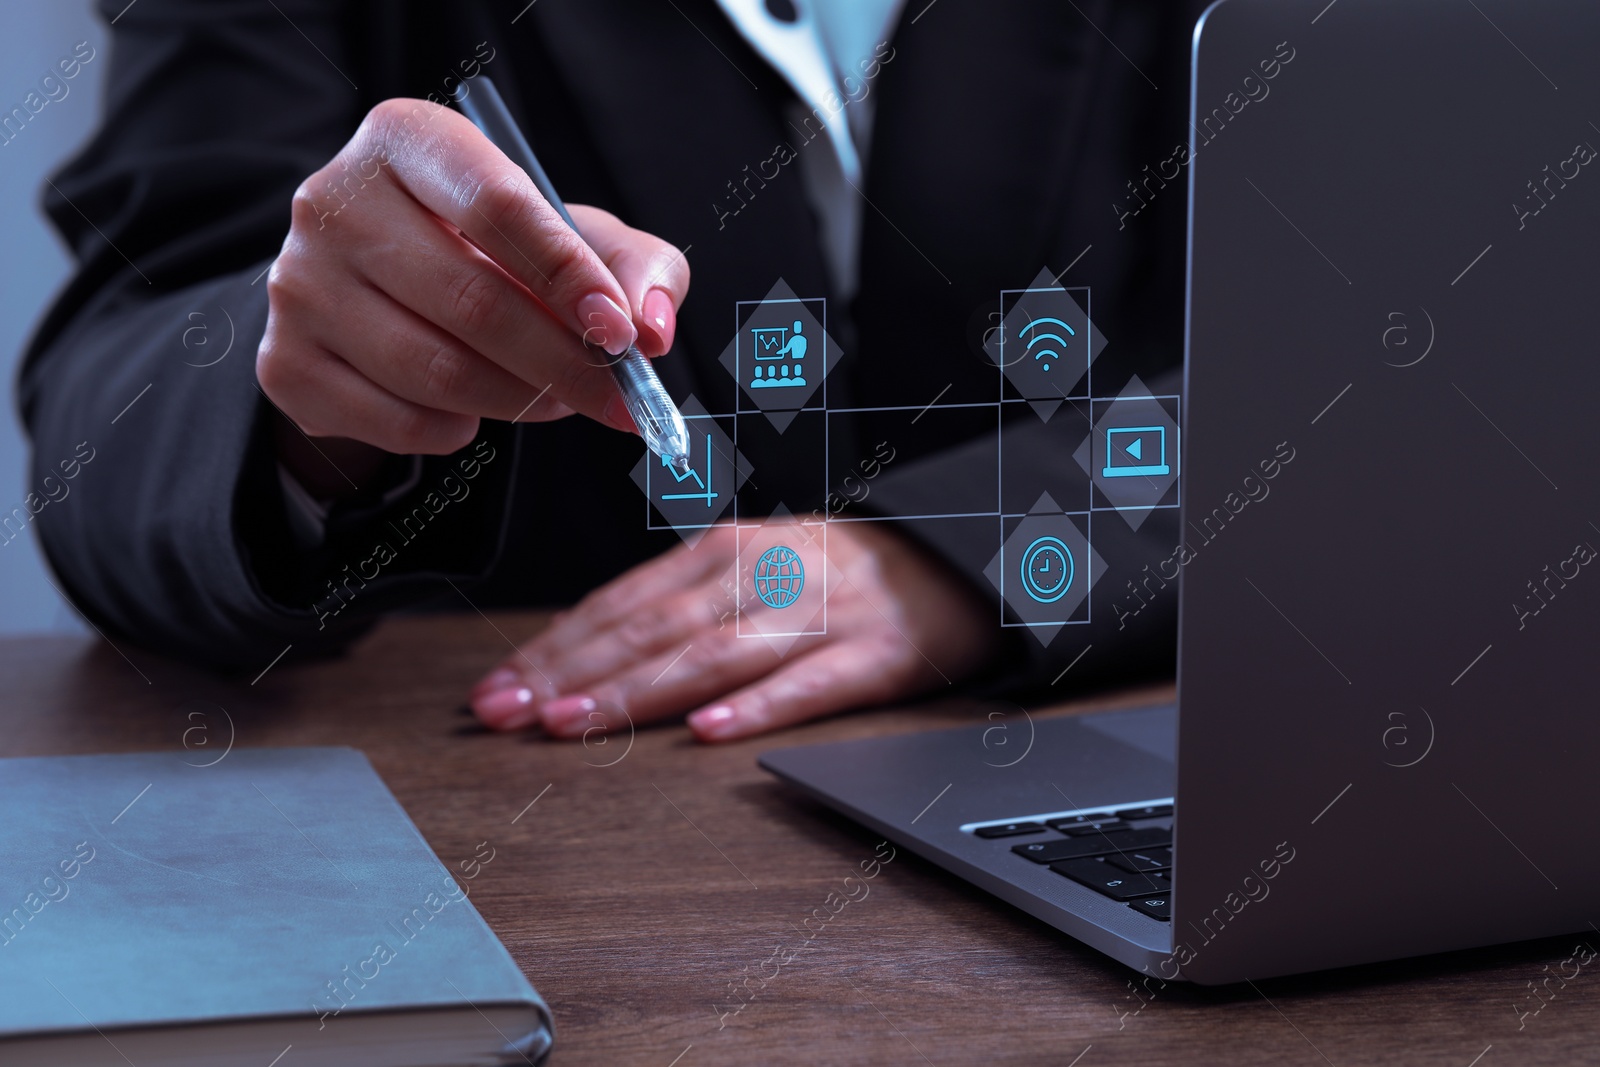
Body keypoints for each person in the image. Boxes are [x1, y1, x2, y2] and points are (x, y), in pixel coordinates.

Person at [23, 0, 1200, 743]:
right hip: (514, 815)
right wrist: (312, 403)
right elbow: (117, 394)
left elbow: (1347, 368)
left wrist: (966, 553)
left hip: (1059, 756)